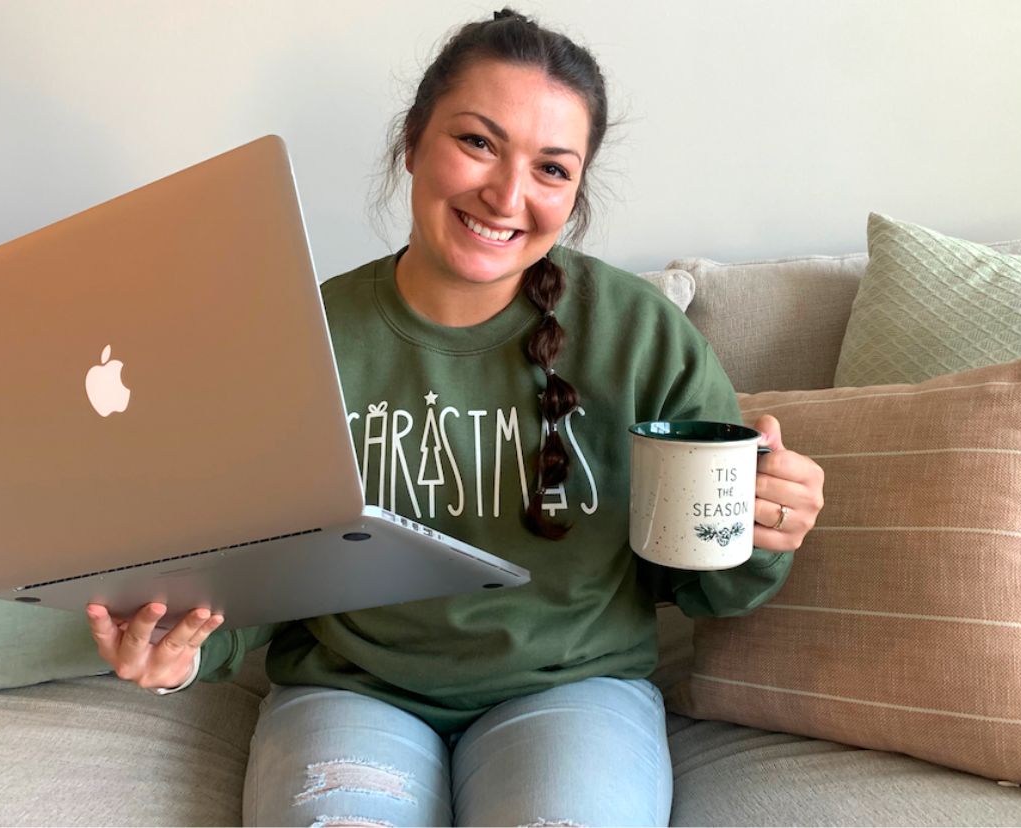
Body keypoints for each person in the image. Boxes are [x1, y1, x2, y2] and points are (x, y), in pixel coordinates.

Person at [87, 9, 826, 826]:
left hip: (573, 691)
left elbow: (707, 588)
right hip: (353, 691)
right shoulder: (302, 336)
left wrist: (762, 528)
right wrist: (174, 647)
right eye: (478, 142)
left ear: (575, 192)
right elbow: (241, 570)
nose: (508, 195)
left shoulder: (639, 334)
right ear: (412, 142)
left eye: (551, 169)